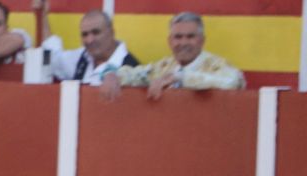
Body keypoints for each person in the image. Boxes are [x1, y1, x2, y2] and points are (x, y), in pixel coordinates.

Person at [101, 12, 244, 101]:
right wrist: (112, 74)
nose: (183, 42)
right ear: (170, 42)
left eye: (190, 37)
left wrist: (181, 77)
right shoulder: (164, 66)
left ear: (201, 41)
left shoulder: (216, 64)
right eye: (178, 37)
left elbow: (233, 81)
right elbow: (137, 74)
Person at [34, 0, 138, 85]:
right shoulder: (82, 57)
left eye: (96, 32)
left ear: (111, 33)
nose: (90, 40)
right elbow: (52, 56)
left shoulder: (133, 70)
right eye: (85, 34)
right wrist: (42, 16)